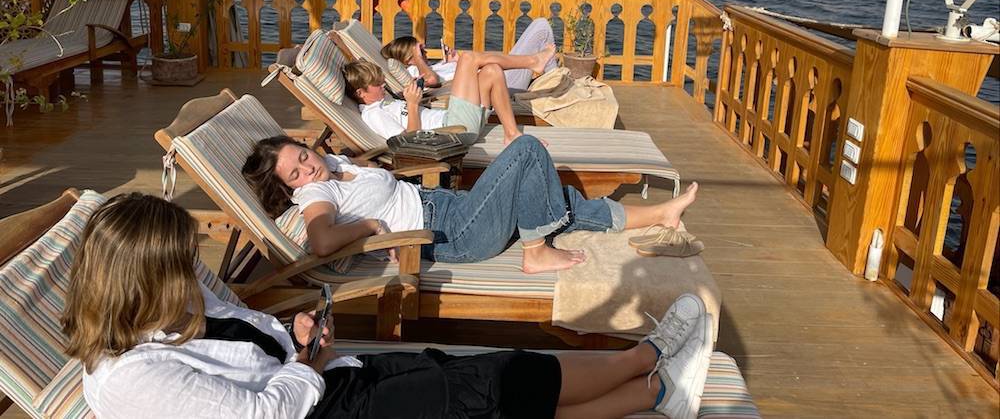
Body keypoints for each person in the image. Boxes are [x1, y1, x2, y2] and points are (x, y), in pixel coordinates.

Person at [64, 192, 715, 419]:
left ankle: (655, 396)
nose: (194, 271)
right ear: (138, 284)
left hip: (330, 378)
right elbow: (264, 411)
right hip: (323, 404)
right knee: (501, 379)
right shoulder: (133, 378)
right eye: (180, 263)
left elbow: (243, 325)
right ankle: (649, 356)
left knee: (496, 393)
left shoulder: (168, 303)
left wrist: (290, 332)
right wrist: (311, 361)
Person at [243, 134, 699, 274]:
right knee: (526, 150)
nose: (309, 170)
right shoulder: (316, 195)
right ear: (290, 188)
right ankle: (536, 253)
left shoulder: (334, 162)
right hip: (451, 233)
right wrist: (367, 224)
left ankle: (660, 214)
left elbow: (344, 166)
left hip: (448, 208)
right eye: (296, 174)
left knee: (554, 200)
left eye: (303, 156)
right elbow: (321, 241)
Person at [344, 43, 555, 146]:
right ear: (361, 92)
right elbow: (409, 141)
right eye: (377, 84)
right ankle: (532, 62)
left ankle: (512, 134)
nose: (383, 85)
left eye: (382, 81)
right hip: (454, 130)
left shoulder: (382, 102)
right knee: (469, 58)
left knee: (492, 71)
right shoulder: (373, 115)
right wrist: (413, 105)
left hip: (455, 120)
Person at [381, 18, 559, 90]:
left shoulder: (430, 68)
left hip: (498, 77)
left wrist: (455, 59)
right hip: (502, 86)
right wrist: (419, 59)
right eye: (420, 50)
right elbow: (432, 81)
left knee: (540, 25)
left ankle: (553, 77)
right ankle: (553, 78)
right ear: (409, 59)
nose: (425, 51)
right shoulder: (415, 74)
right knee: (541, 28)